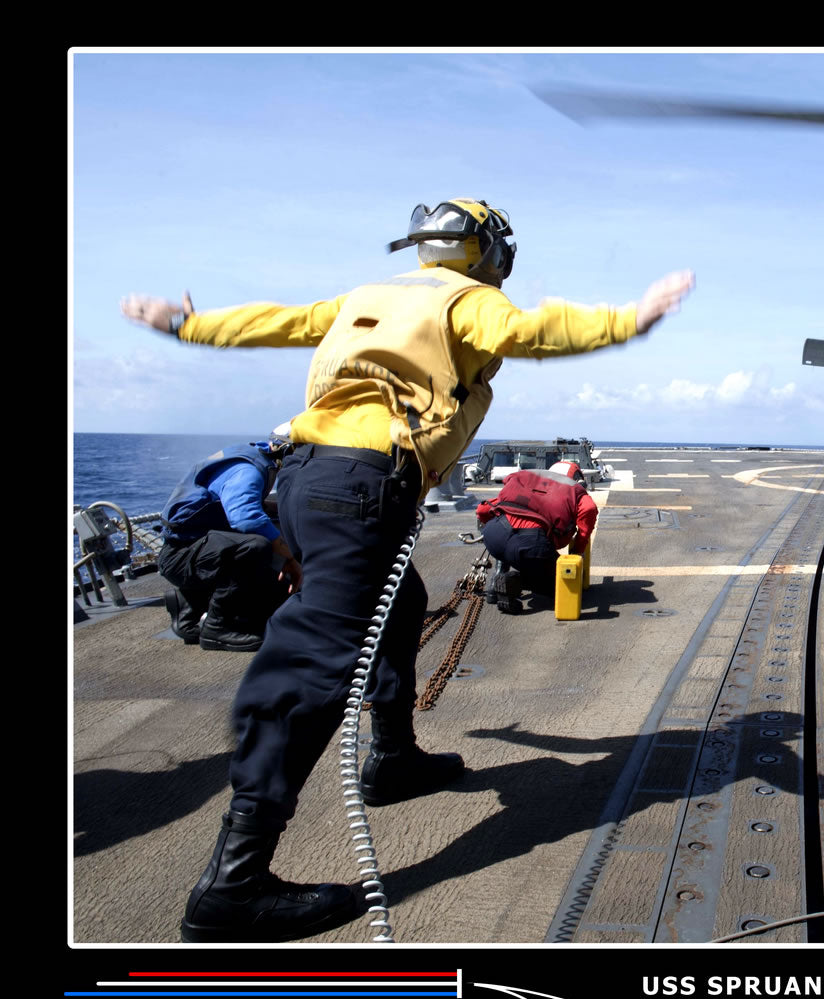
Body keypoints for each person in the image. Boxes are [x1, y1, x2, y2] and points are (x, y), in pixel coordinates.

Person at [121, 198, 692, 942]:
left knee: (403, 600)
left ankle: (392, 757)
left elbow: (275, 321)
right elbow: (529, 333)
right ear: (485, 251)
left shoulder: (369, 297)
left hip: (302, 480)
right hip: (363, 483)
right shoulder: (469, 300)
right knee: (311, 669)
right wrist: (628, 318)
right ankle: (235, 884)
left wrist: (187, 323)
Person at [157, 439, 300, 650]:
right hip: (182, 558)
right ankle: (217, 629)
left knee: (271, 593)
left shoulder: (252, 460)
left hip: (192, 552)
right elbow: (246, 518)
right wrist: (290, 557)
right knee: (256, 546)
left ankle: (189, 601)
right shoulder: (248, 471)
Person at [477, 460, 597, 613]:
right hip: (531, 545)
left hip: (494, 535)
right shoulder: (574, 491)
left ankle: (496, 581)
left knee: (507, 529)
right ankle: (513, 582)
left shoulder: (525, 478)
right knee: (563, 586)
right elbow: (589, 509)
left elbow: (482, 510)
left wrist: (490, 529)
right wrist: (578, 552)